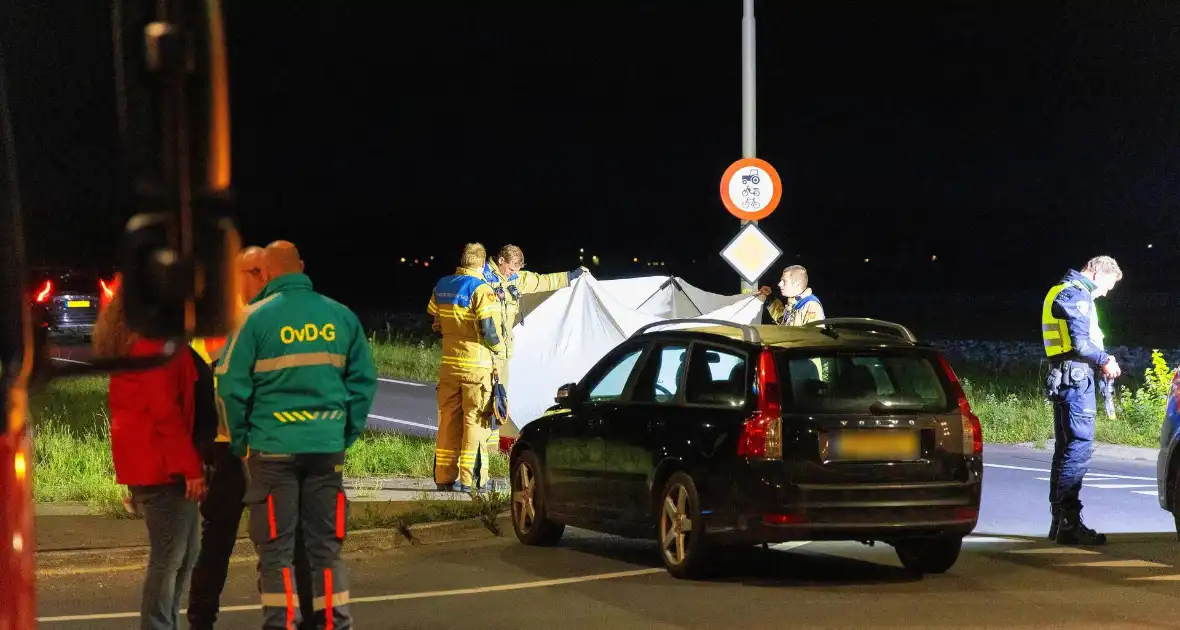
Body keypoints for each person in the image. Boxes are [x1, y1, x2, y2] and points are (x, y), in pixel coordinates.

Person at [216, 240, 378, 629]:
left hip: (271, 453)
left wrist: (240, 441)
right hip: (326, 452)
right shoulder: (341, 317)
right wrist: (344, 434)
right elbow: (363, 383)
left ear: (267, 273)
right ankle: (334, 623)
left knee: (276, 552)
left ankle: (281, 623)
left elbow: (227, 386)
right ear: (302, 266)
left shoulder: (253, 319)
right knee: (325, 550)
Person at [186, 246, 315, 630]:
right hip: (240, 450)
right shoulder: (237, 323)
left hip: (252, 449)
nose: (262, 279)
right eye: (254, 272)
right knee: (238, 545)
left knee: (264, 545)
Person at [94, 283, 206, 630]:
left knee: (184, 555)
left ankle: (164, 623)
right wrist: (190, 468)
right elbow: (165, 414)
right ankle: (157, 626)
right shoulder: (152, 349)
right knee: (170, 559)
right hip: (164, 470)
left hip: (153, 468)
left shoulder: (138, 346)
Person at [1042, 255, 1123, 546]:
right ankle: (1068, 523)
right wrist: (1105, 360)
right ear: (1096, 272)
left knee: (1065, 449)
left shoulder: (1058, 290)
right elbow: (1080, 343)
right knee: (1078, 449)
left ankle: (1059, 522)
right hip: (1075, 380)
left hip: (1064, 378)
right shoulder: (1077, 294)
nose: (1104, 294)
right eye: (1106, 286)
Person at [480, 244, 587, 458]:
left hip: (502, 353)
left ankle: (491, 451)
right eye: (511, 269)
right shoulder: (481, 278)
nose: (513, 274)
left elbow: (541, 281)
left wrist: (571, 276)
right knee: (482, 400)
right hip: (482, 351)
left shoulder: (516, 279)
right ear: (500, 260)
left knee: (500, 400)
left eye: (517, 271)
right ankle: (478, 448)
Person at [430, 242, 508, 492]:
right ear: (483, 264)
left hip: (449, 368)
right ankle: (470, 480)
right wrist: (499, 349)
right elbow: (488, 330)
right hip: (476, 369)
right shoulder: (482, 289)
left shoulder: (442, 285)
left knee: (449, 422)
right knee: (475, 422)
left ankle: (443, 477)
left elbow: (435, 322)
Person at [757, 265, 825, 326]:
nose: (779, 284)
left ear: (797, 284)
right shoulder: (793, 302)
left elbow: (816, 337)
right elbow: (782, 320)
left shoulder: (811, 305)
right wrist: (769, 296)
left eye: (784, 281)